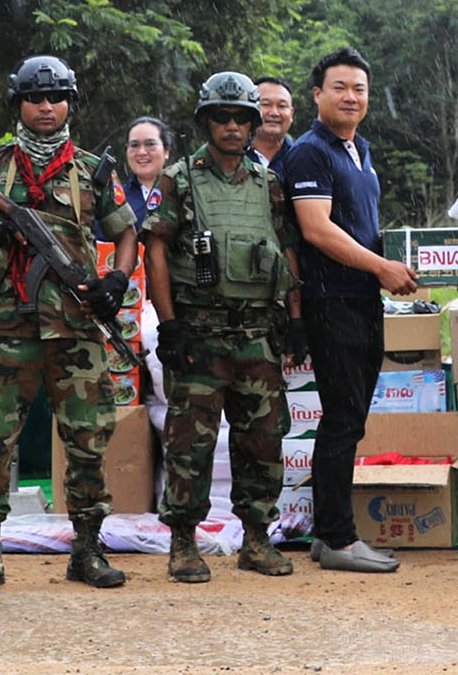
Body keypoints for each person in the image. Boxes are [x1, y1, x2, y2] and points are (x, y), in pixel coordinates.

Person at [0, 54, 140, 595]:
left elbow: (127, 233)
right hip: (8, 328)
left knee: (87, 440)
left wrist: (116, 280)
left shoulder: (92, 170)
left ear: (70, 104)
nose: (46, 107)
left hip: (77, 331)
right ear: (19, 104)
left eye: (56, 98)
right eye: (35, 98)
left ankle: (87, 550)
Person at [147, 72, 300, 582]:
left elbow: (288, 251)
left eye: (242, 117)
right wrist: (168, 325)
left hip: (257, 334)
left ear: (254, 123)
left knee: (263, 440)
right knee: (190, 444)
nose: (232, 126)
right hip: (199, 335)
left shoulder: (270, 183)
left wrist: (295, 320)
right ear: (206, 121)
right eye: (222, 117)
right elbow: (157, 250)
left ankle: (257, 539)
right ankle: (184, 543)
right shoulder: (179, 178)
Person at [278, 45, 422, 574]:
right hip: (330, 299)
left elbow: (363, 227)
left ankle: (326, 534)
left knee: (349, 419)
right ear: (316, 94)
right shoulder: (312, 151)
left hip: (362, 300)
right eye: (339, 87)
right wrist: (381, 267)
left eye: (359, 88)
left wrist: (397, 264)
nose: (351, 97)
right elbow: (316, 230)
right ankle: (338, 538)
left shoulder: (360, 151)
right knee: (342, 420)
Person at [120, 116, 171, 226]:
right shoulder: (115, 199)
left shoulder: (184, 192)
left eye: (150, 144)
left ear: (166, 151)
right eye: (134, 145)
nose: (142, 152)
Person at [252, 78, 296, 170]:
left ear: (291, 114)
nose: (274, 113)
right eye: (266, 104)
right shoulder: (232, 155)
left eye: (282, 106)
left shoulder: (300, 157)